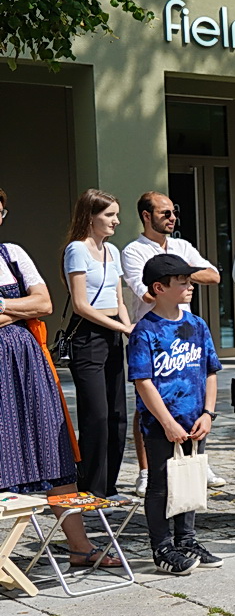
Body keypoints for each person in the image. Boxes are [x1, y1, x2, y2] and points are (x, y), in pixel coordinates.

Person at [0, 188, 100, 563]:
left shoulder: (12, 254)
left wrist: (3, 306)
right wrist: (21, 311)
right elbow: (33, 306)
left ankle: (80, 547)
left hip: (27, 365)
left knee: (53, 446)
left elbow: (45, 303)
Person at [120, 192, 222, 495]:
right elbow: (146, 292)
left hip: (186, 330)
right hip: (154, 332)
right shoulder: (134, 251)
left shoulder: (182, 246)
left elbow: (213, 275)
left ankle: (195, 458)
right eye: (164, 213)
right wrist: (174, 281)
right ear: (146, 216)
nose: (172, 217)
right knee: (149, 401)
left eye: (173, 212)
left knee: (192, 392)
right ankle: (146, 469)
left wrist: (180, 276)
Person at [126, 255, 222, 575]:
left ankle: (186, 539)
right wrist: (167, 422)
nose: (190, 285)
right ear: (159, 287)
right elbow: (143, 381)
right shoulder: (146, 331)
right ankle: (162, 546)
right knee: (161, 485)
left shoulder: (197, 325)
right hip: (160, 424)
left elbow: (210, 371)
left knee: (191, 480)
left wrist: (208, 413)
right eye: (182, 281)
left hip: (195, 419)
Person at [62, 189, 132, 500]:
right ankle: (91, 484)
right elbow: (80, 304)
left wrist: (127, 327)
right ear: (90, 217)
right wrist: (119, 325)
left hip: (114, 333)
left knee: (118, 414)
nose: (116, 220)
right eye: (109, 215)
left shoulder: (112, 251)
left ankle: (110, 484)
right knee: (97, 414)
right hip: (88, 335)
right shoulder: (76, 250)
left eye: (116, 214)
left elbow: (119, 298)